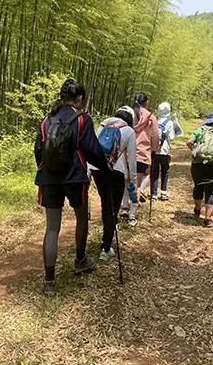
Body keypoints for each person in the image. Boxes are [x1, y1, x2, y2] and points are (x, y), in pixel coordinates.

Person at [35, 78, 109, 294]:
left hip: (49, 178)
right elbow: (92, 149)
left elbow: (39, 150)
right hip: (75, 177)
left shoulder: (46, 120)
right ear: (79, 99)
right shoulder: (82, 119)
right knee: (81, 217)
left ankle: (49, 281)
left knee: (51, 228)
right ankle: (80, 259)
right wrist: (105, 168)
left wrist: (46, 169)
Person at [90, 106, 137, 261]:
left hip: (98, 169)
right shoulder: (129, 131)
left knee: (105, 202)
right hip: (116, 172)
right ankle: (106, 247)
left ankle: (106, 238)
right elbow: (131, 158)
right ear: (130, 119)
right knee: (113, 209)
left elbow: (93, 147)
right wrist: (133, 181)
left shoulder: (104, 123)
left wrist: (89, 171)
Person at [122, 92, 159, 225]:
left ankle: (124, 207)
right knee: (136, 185)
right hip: (142, 154)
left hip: (127, 153)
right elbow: (155, 137)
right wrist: (155, 149)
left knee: (127, 182)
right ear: (146, 102)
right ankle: (132, 215)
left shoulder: (130, 114)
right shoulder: (151, 118)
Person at [152, 102, 176, 201]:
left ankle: (153, 194)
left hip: (154, 150)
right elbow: (171, 137)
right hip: (164, 151)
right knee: (165, 171)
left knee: (154, 172)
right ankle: (163, 192)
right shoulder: (169, 122)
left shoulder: (155, 121)